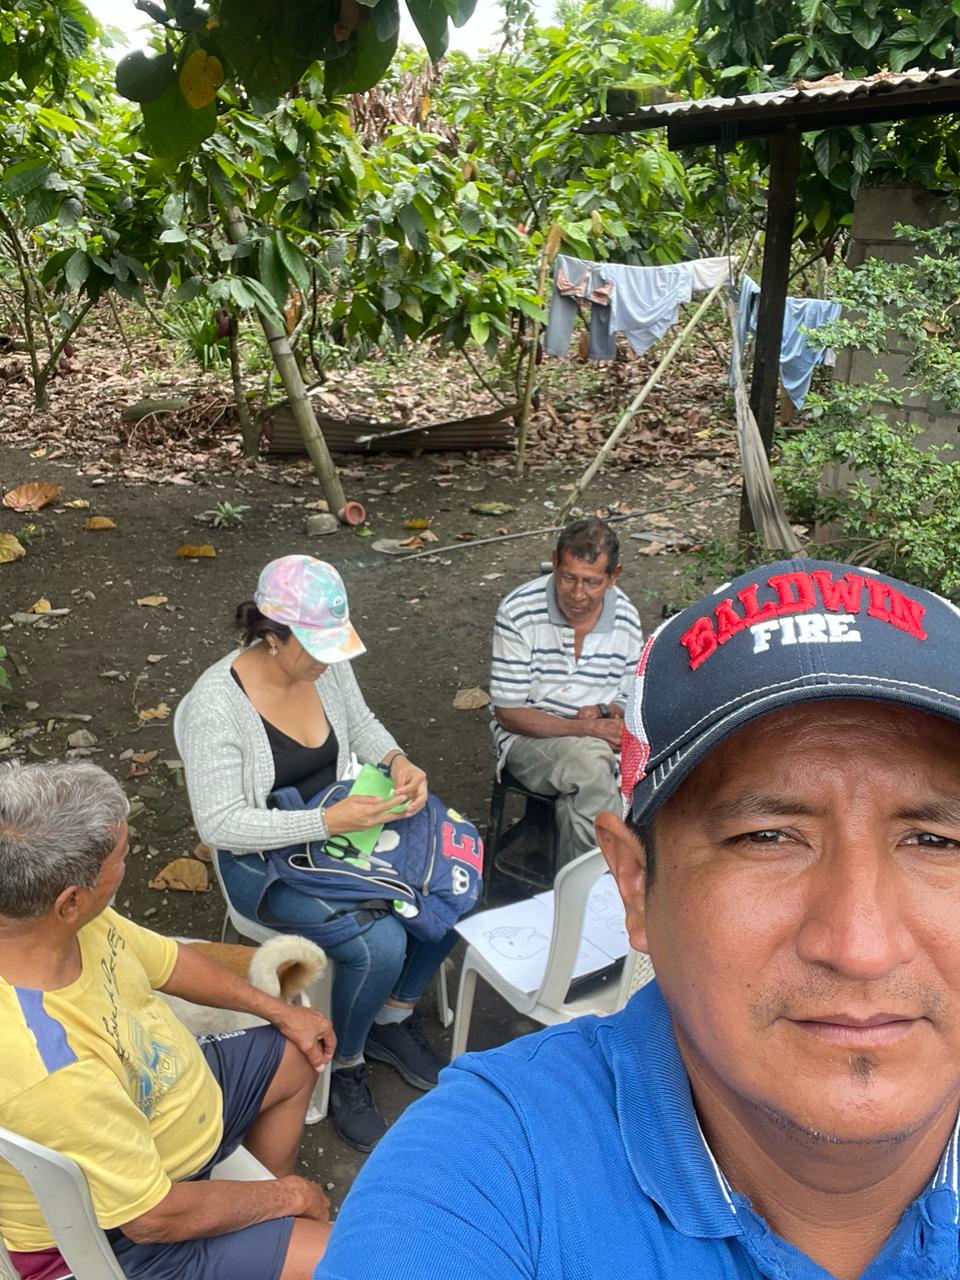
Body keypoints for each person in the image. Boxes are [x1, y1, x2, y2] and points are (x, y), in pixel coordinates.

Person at [316, 557, 960, 1280]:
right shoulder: (487, 1169)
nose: (862, 946)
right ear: (634, 885)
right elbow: (512, 714)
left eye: (937, 841)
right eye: (766, 837)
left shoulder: (621, 620)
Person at [0, 760, 334, 1280]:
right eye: (121, 857)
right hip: (117, 1237)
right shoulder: (51, 1070)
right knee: (349, 1257)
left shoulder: (48, 921)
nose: (127, 864)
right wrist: (292, 1196)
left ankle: (256, 1217)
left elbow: (170, 961)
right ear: (70, 900)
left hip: (164, 1109)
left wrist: (280, 1012)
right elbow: (151, 1219)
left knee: (296, 1052)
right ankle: (264, 1219)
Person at [177, 554, 456, 1154]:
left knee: (446, 884)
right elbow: (220, 825)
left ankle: (389, 1018)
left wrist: (397, 761)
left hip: (340, 830)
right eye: (316, 647)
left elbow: (363, 725)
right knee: (379, 942)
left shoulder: (326, 668)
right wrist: (327, 820)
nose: (328, 660)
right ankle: (347, 1062)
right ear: (271, 635)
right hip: (262, 861)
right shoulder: (215, 706)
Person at [490, 517, 643, 867]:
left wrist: (604, 711)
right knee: (590, 765)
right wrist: (585, 729)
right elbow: (509, 714)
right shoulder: (518, 611)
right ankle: (602, 885)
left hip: (598, 739)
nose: (577, 594)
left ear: (613, 577)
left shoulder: (626, 616)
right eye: (568, 577)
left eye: (592, 582)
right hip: (528, 739)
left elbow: (629, 695)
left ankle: (583, 882)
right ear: (554, 563)